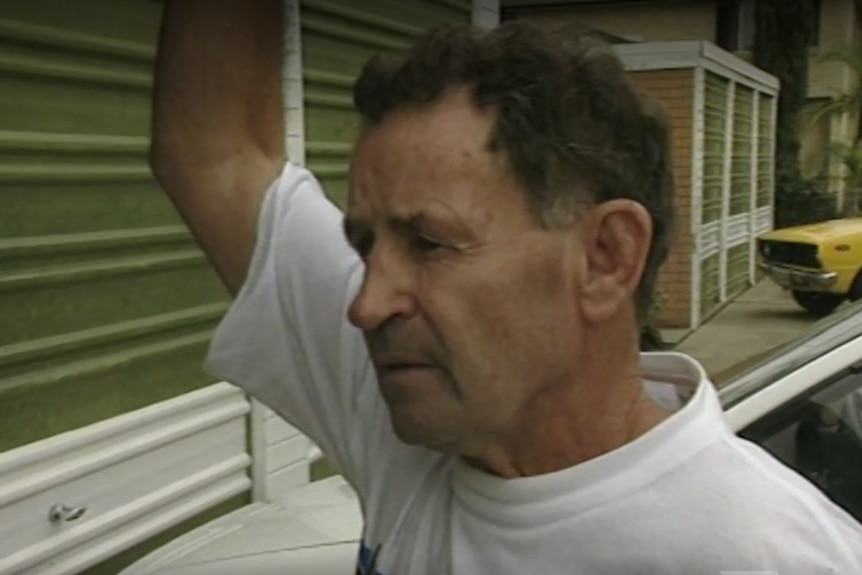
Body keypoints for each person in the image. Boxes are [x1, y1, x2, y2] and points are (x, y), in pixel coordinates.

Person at [151, 1, 862, 573]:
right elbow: (215, 148)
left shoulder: (766, 555)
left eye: (430, 243)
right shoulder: (424, 414)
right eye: (364, 246)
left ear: (606, 258)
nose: (366, 304)